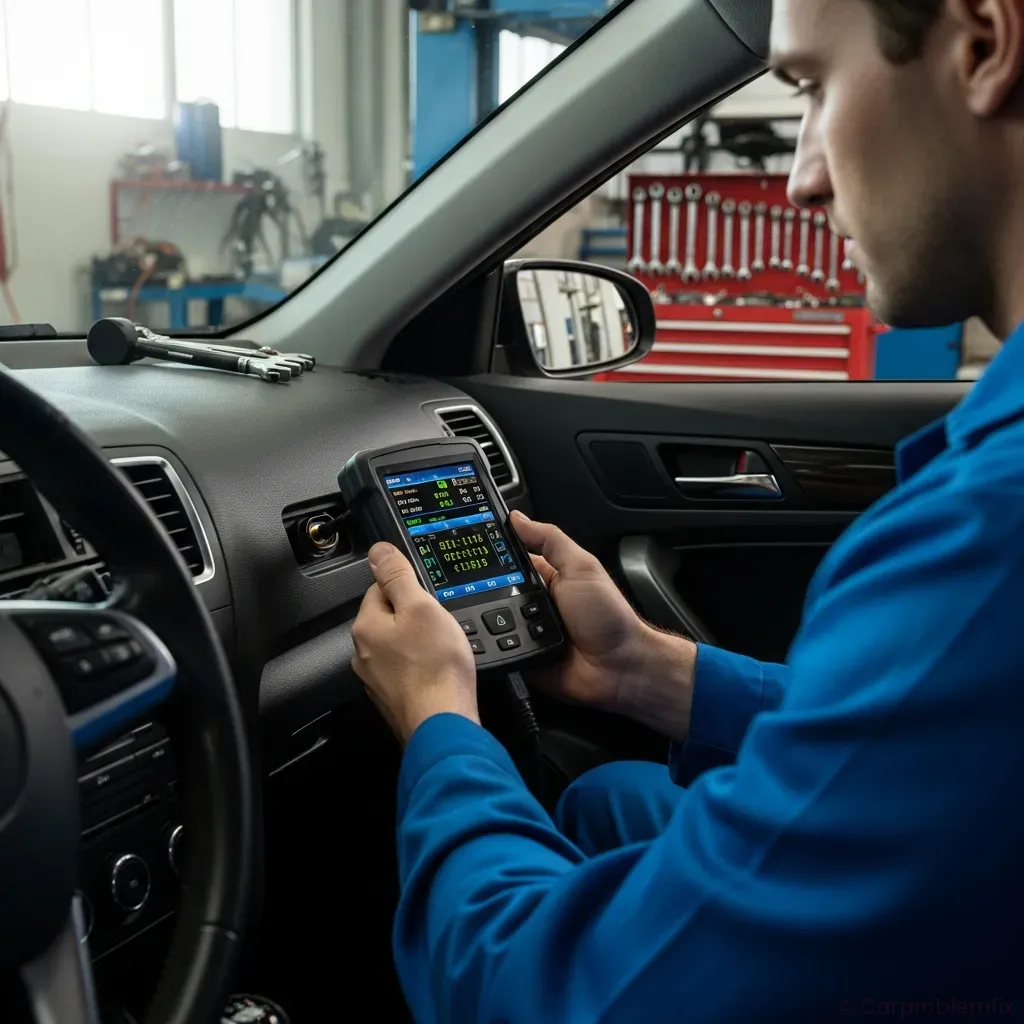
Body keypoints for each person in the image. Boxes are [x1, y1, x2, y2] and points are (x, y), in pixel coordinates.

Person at [350, 0, 1024, 1019]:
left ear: (983, 43)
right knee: (606, 797)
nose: (800, 174)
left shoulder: (986, 546)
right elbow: (920, 738)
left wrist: (440, 724)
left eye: (808, 88)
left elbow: (551, 995)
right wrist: (651, 671)